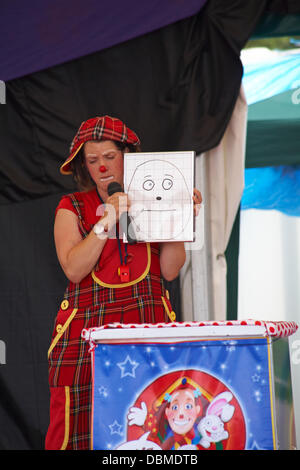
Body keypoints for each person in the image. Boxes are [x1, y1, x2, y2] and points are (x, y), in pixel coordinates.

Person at [45, 115, 202, 450]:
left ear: (127, 156)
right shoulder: (72, 207)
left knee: (145, 430)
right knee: (78, 432)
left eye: (109, 157)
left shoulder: (153, 200)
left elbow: (171, 270)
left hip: (146, 332)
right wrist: (107, 220)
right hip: (87, 341)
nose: (101, 167)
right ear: (83, 167)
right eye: (92, 160)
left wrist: (182, 218)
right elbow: (73, 268)